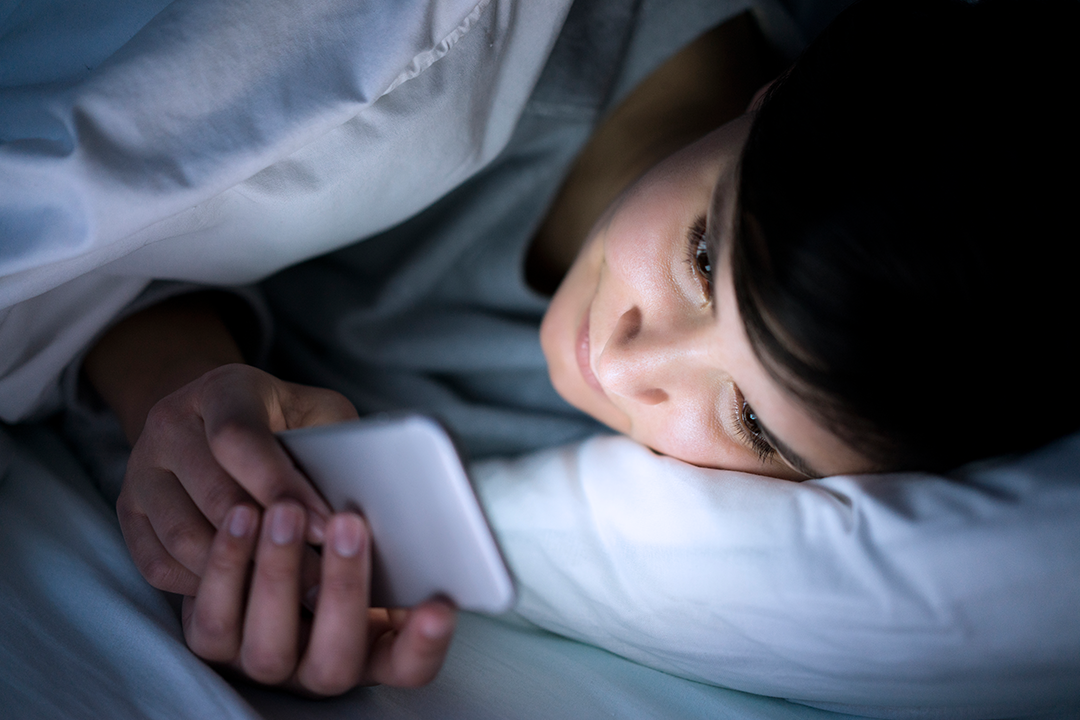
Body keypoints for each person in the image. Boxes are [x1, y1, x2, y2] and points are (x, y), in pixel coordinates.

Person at [2, 0, 1078, 713]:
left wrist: (181, 406)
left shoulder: (633, 487)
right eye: (704, 255)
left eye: (753, 421)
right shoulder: (511, 40)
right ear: (771, 100)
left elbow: (145, 306)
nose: (635, 359)